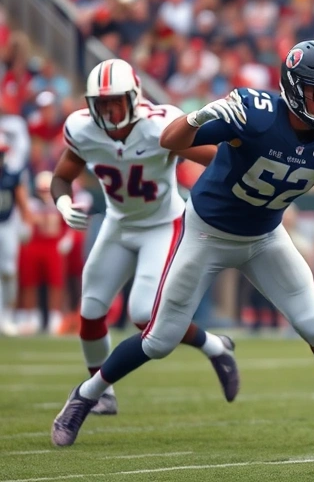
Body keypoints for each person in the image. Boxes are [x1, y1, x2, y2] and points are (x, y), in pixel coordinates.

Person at [51, 40, 314, 448]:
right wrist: (201, 116)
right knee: (159, 340)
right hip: (207, 233)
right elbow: (171, 141)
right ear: (294, 87)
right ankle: (85, 395)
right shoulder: (254, 113)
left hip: (265, 238)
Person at [51, 58, 228, 415]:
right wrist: (63, 201)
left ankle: (213, 345)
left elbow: (218, 159)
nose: (110, 109)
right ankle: (102, 394)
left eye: (116, 100)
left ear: (134, 97)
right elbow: (61, 176)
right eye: (102, 103)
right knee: (90, 309)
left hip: (163, 223)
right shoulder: (83, 130)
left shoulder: (158, 125)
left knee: (145, 314)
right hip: (118, 223)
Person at [0, 135, 31, 335]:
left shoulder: (11, 175)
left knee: (9, 272)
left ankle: (6, 316)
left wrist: (26, 222)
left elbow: (21, 200)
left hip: (7, 225)